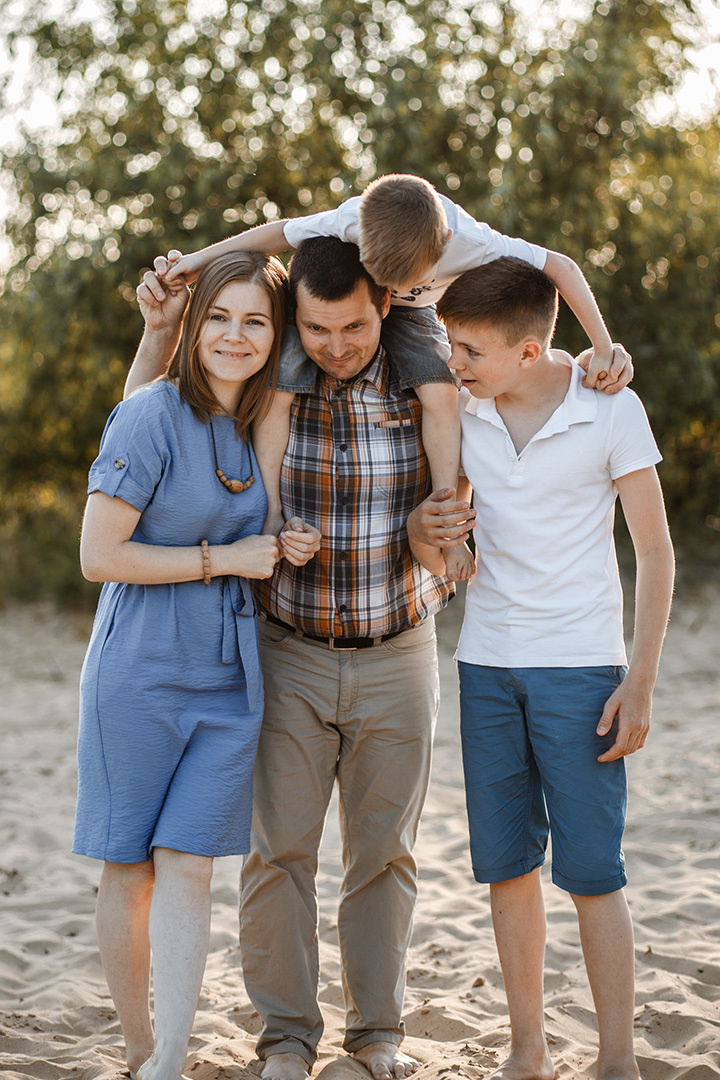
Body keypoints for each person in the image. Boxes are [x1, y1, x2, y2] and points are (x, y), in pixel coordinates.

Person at [129, 238, 633, 1080]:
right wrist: (160, 329)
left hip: (401, 650)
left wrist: (597, 359)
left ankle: (376, 1038)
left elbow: (480, 481)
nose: (336, 344)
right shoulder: (265, 384)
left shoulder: (440, 382)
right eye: (319, 329)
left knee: (383, 856)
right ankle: (286, 1039)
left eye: (354, 326)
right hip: (286, 646)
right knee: (279, 853)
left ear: (387, 306)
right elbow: (148, 423)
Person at [407, 257, 675, 1080]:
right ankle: (529, 1048)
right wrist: (432, 534)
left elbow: (657, 555)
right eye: (450, 345)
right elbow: (432, 539)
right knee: (507, 868)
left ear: (528, 352)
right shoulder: (461, 412)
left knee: (594, 873)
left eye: (470, 350)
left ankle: (618, 1059)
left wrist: (641, 681)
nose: (453, 362)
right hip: (486, 665)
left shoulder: (610, 408)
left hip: (584, 670)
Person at [74, 251, 321, 1080]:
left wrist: (283, 546)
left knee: (190, 862)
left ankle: (171, 1058)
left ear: (276, 335)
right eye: (219, 315)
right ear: (193, 321)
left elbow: (259, 538)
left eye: (256, 321)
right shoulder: (149, 414)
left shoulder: (262, 423)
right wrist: (227, 558)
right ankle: (141, 1048)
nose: (235, 335)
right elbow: (99, 556)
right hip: (138, 670)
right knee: (130, 862)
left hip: (230, 677)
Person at [155, 174, 629, 581]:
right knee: (281, 383)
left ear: (441, 248)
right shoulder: (348, 218)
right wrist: (199, 260)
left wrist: (604, 346)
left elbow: (561, 267)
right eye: (391, 279)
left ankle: (448, 527)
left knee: (442, 391)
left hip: (418, 318)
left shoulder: (474, 240)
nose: (399, 289)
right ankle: (272, 511)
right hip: (351, 307)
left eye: (408, 278)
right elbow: (277, 234)